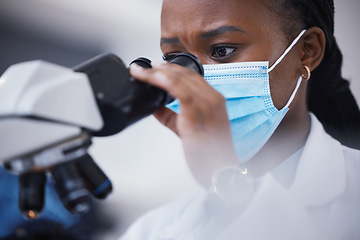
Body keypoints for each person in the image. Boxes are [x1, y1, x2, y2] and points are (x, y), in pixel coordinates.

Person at [121, 0, 360, 239]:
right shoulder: (151, 231)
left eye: (222, 50)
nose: (192, 81)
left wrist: (225, 177)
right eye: (175, 57)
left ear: (307, 51)